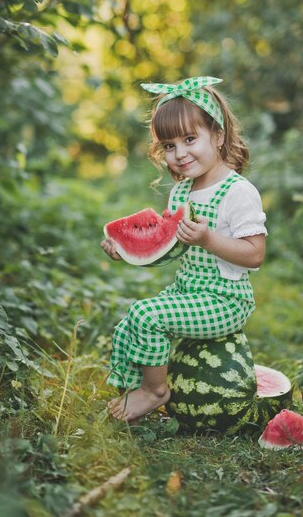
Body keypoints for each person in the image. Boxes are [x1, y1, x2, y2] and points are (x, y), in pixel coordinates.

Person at [101, 76, 267, 422]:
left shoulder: (238, 192)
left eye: (190, 139)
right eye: (169, 146)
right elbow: (168, 249)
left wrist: (209, 239)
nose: (179, 154)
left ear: (218, 136)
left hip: (225, 300)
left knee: (147, 316)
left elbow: (255, 255)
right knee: (128, 323)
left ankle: (155, 391)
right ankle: (134, 392)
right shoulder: (182, 191)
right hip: (188, 291)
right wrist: (124, 250)